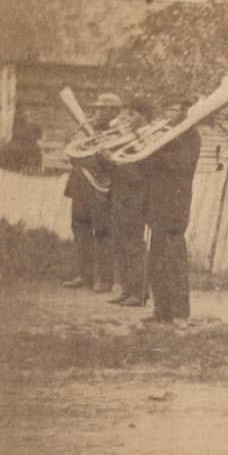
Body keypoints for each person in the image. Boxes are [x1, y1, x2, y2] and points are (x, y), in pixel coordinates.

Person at [143, 98, 202, 324]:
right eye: (168, 109)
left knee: (174, 259)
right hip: (156, 203)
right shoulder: (164, 137)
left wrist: (156, 148)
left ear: (186, 114)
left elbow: (180, 165)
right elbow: (147, 168)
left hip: (176, 206)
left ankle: (180, 313)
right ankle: (161, 310)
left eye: (176, 110)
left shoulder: (191, 137)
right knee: (156, 259)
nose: (171, 114)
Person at [62, 93, 120, 293]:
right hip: (80, 186)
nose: (99, 112)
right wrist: (80, 139)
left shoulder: (119, 132)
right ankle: (84, 275)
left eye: (104, 109)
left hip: (101, 189)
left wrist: (92, 153)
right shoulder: (87, 130)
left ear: (115, 111)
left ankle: (105, 279)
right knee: (80, 229)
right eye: (98, 108)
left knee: (103, 232)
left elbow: (107, 162)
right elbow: (71, 154)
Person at [105, 103, 151, 306]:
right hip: (119, 196)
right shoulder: (123, 140)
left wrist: (114, 161)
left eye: (131, 114)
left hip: (136, 198)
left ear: (144, 116)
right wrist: (104, 157)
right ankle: (126, 289)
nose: (125, 118)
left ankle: (138, 293)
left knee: (133, 245)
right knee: (119, 244)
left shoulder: (146, 140)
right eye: (124, 114)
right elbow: (112, 169)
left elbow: (139, 175)